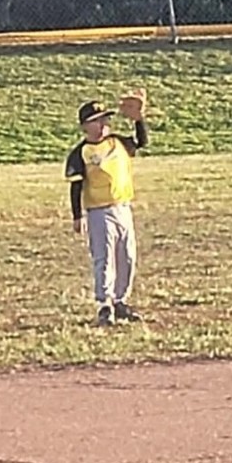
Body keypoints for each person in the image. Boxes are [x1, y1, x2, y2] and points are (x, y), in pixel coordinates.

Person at [64, 91, 148, 326]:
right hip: (98, 212)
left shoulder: (117, 142)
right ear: (84, 126)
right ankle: (104, 304)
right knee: (104, 258)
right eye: (96, 120)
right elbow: (76, 186)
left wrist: (139, 120)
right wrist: (76, 216)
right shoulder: (80, 153)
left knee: (127, 256)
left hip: (123, 207)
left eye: (104, 119)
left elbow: (142, 142)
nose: (102, 124)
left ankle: (121, 301)